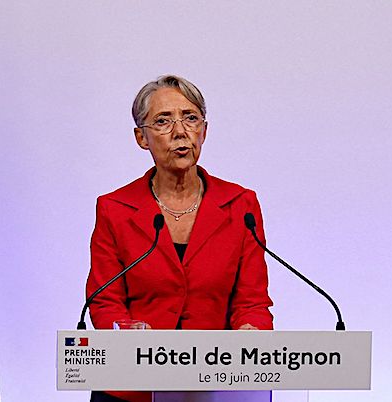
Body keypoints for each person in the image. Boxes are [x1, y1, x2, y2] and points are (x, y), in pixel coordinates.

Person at [86, 75, 274, 402]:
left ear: (204, 130)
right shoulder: (114, 209)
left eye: (190, 118)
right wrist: (125, 330)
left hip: (216, 382)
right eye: (162, 121)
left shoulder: (240, 204)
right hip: (133, 387)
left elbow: (252, 301)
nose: (180, 131)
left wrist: (251, 331)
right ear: (141, 138)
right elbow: (104, 300)